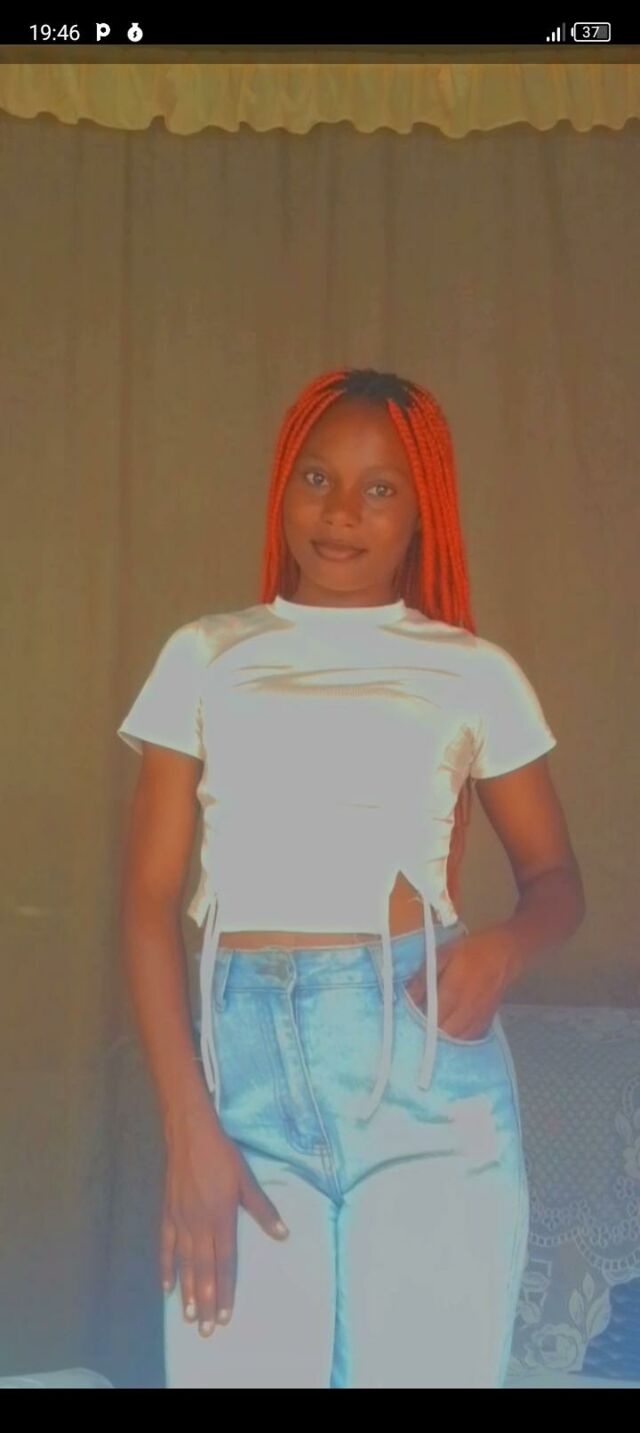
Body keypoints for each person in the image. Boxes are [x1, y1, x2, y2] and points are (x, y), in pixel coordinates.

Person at [117, 367, 585, 1388]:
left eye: (379, 489)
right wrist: (188, 1130)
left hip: (423, 1080)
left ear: (422, 514)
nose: (340, 511)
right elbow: (147, 907)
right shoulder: (205, 653)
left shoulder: (473, 670)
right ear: (283, 486)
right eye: (317, 477)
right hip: (240, 1088)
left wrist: (502, 951)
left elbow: (555, 880)